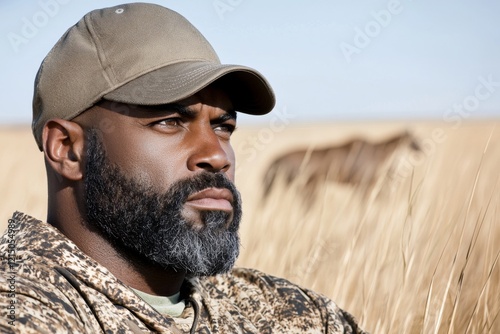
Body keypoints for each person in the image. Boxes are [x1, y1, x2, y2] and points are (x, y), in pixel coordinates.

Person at [0, 3, 365, 333]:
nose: (217, 155)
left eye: (223, 126)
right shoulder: (22, 307)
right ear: (67, 150)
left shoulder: (292, 313)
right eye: (170, 122)